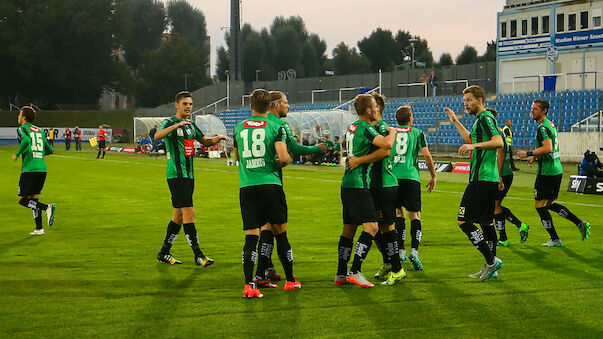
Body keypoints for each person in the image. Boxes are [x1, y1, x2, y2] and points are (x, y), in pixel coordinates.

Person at [252, 90, 325, 288]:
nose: (288, 106)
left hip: (251, 182)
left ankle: (264, 270)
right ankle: (284, 277)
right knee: (278, 229)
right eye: (285, 102)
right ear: (275, 105)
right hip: (272, 182)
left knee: (265, 227)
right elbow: (293, 148)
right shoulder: (279, 124)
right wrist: (316, 149)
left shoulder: (256, 124)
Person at [234, 89, 300, 298]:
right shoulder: (276, 126)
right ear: (269, 106)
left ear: (251, 106)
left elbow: (237, 157)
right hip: (270, 184)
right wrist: (283, 160)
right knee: (281, 234)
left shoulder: (238, 127)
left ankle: (249, 285)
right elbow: (283, 157)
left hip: (247, 186)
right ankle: (290, 280)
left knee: (251, 237)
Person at [155, 91, 230, 266]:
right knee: (189, 212)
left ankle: (164, 252)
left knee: (178, 216)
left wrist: (217, 138)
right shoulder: (170, 122)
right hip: (176, 175)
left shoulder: (191, 125)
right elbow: (157, 136)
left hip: (189, 175)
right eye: (185, 104)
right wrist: (175, 126)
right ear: (177, 105)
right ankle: (198, 255)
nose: (188, 107)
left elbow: (204, 141)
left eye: (190, 104)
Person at [335, 93, 396, 288]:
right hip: (359, 185)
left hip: (347, 184)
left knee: (348, 231)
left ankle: (341, 274)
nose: (376, 110)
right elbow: (386, 145)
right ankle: (355, 270)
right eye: (373, 107)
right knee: (372, 227)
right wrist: (393, 132)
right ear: (369, 110)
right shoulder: (365, 127)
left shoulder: (352, 127)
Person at [444, 85, 503, 282]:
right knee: (486, 223)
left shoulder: (486, 118)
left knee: (463, 220)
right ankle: (491, 267)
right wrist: (455, 121)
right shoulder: (480, 120)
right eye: (464, 101)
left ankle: (491, 261)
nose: (466, 104)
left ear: (480, 99)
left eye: (469, 100)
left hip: (482, 178)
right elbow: (470, 138)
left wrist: (474, 145)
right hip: (487, 179)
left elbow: (498, 142)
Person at [347, 93, 406, 286]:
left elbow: (386, 150)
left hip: (384, 184)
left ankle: (397, 268)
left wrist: (359, 160)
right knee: (379, 228)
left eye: (374, 105)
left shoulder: (381, 128)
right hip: (375, 183)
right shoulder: (371, 129)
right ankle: (390, 263)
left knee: (386, 227)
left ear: (376, 108)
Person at [517, 99, 591, 247]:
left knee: (539, 206)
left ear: (544, 111)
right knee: (549, 204)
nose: (533, 111)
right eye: (532, 108)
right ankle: (580, 223)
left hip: (547, 173)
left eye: (536, 109)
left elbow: (548, 148)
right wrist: (535, 156)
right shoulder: (550, 124)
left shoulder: (542, 128)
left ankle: (555, 239)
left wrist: (528, 153)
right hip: (556, 170)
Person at [390, 105, 436, 271]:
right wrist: (433, 175)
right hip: (411, 178)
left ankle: (401, 250)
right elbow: (427, 155)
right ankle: (414, 252)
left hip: (394, 178)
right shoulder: (417, 133)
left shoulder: (392, 132)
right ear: (410, 118)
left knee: (398, 214)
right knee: (415, 215)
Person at [486, 108, 530, 247]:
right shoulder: (497, 131)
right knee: (495, 206)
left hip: (502, 174)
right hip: (502, 173)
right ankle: (516, 229)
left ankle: (508, 235)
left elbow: (500, 154)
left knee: (494, 206)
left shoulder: (496, 133)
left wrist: (498, 176)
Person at [12, 106, 56, 235]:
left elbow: (25, 140)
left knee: (22, 200)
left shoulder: (21, 129)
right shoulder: (40, 131)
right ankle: (39, 228)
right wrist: (38, 154)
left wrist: (17, 154)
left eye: (20, 114)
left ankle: (47, 208)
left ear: (24, 117)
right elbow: (50, 150)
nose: (18, 117)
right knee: (33, 199)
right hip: (42, 169)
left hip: (29, 169)